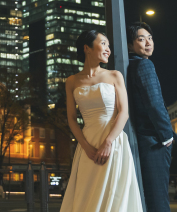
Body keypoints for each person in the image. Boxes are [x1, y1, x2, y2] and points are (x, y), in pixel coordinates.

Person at [60, 30, 143, 211]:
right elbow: (72, 119)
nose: (108, 49)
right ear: (87, 48)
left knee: (114, 196)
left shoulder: (114, 75)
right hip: (87, 143)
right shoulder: (72, 81)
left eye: (109, 46)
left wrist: (108, 142)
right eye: (103, 43)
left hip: (113, 142)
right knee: (85, 194)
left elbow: (124, 113)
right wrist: (85, 146)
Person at [127, 22, 177, 212]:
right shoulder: (144, 65)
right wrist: (166, 135)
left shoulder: (130, 66)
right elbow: (154, 104)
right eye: (141, 39)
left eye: (150, 38)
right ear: (130, 45)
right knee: (158, 200)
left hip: (142, 140)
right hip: (154, 141)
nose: (148, 43)